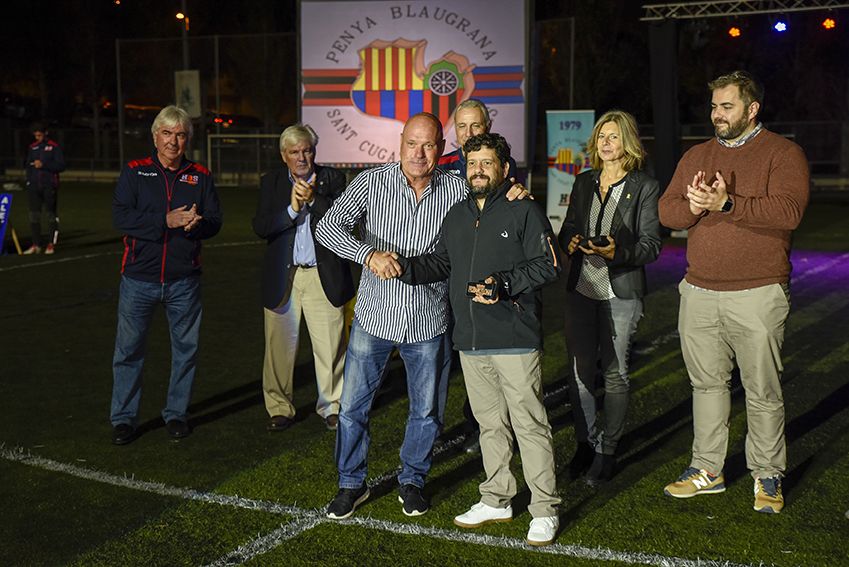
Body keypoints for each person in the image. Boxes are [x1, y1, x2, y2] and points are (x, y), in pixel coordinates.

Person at [315, 113, 527, 520]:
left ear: (441, 148)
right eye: (412, 143)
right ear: (400, 143)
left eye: (429, 145)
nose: (419, 153)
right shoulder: (372, 182)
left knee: (426, 411)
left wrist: (517, 193)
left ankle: (412, 480)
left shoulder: (455, 188)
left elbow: (494, 194)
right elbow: (327, 228)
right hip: (374, 317)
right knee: (354, 407)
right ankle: (350, 484)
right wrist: (368, 254)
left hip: (429, 320)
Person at [395, 132, 562, 547]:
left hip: (514, 336)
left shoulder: (523, 210)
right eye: (473, 164)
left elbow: (549, 264)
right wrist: (403, 267)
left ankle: (544, 508)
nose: (478, 170)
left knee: (530, 425)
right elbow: (441, 262)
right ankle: (497, 497)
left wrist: (505, 284)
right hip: (470, 338)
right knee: (490, 426)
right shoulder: (457, 214)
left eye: (487, 163)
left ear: (504, 169)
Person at [658, 71, 809, 514]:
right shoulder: (697, 155)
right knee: (706, 385)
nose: (717, 115)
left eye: (726, 106)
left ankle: (767, 474)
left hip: (758, 292)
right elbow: (668, 210)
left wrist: (728, 204)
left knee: (762, 389)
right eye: (713, 107)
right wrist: (693, 205)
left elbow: (789, 212)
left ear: (752, 109)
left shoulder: (783, 152)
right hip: (699, 290)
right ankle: (708, 470)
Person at [558, 110, 661, 485]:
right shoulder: (584, 182)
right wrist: (568, 240)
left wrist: (616, 251)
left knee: (615, 374)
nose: (605, 142)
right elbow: (569, 227)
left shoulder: (645, 187)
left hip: (621, 289)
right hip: (582, 288)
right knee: (580, 371)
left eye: (614, 136)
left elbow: (651, 245)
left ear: (628, 143)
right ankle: (584, 444)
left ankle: (608, 449)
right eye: (602, 135)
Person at [110, 105, 222, 445]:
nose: (173, 141)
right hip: (138, 279)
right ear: (155, 136)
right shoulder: (135, 171)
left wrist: (197, 225)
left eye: (180, 134)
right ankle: (124, 418)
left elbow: (216, 222)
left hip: (184, 281)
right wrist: (165, 220)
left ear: (187, 139)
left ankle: (176, 414)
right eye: (167, 133)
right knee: (128, 351)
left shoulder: (200, 175)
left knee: (185, 351)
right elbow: (121, 217)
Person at [252, 124, 354, 433]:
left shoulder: (333, 179)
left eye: (307, 150)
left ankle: (332, 406)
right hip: (285, 277)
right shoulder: (271, 182)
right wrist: (292, 210)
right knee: (278, 349)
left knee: (331, 347)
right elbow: (261, 226)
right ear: (284, 155)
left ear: (315, 151)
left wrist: (313, 201)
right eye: (294, 152)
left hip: (322, 275)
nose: (302, 157)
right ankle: (280, 407)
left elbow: (345, 221)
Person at [438, 98, 518, 454]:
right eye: (462, 127)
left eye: (476, 126)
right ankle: (433, 426)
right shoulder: (439, 166)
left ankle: (481, 426)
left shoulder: (500, 166)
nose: (469, 133)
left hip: (480, 276)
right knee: (442, 357)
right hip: (441, 272)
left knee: (482, 355)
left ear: (488, 125)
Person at [23, 122, 65, 255]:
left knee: (51, 215)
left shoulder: (54, 147)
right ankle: (36, 244)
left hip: (49, 186)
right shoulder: (33, 147)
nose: (37, 138)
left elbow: (61, 166)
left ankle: (51, 244)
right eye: (35, 135)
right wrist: (29, 181)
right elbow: (28, 165)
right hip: (34, 187)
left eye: (39, 135)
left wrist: (44, 164)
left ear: (45, 133)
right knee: (34, 215)